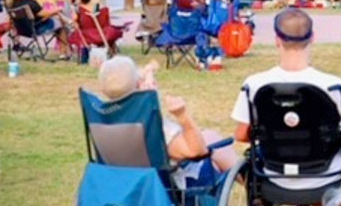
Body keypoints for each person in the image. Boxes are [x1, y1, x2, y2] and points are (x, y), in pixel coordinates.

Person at [231, 9, 341, 190]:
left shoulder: (254, 84)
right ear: (312, 38)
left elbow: (241, 135)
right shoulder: (334, 86)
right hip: (326, 175)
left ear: (277, 40)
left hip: (274, 172)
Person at [99, 57, 237, 173]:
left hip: (127, 183)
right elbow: (197, 151)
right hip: (165, 187)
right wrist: (182, 115)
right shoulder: (151, 125)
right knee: (212, 140)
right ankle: (248, 182)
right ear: (139, 84)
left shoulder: (102, 122)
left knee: (208, 136)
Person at [6, 0, 71, 59]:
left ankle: (65, 52)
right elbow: (44, 13)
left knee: (57, 19)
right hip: (37, 29)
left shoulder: (10, 3)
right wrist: (58, 9)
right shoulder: (29, 2)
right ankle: (64, 53)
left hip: (21, 31)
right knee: (60, 25)